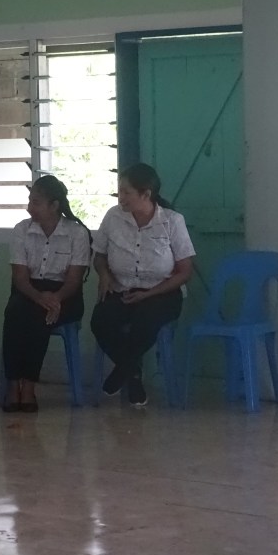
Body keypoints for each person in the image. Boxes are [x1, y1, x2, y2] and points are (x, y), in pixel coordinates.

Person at [90, 163, 195, 408]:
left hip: (162, 293)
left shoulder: (171, 221)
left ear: (146, 194)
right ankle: (132, 372)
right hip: (122, 289)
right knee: (101, 320)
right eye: (120, 191)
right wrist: (104, 274)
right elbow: (99, 255)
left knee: (145, 321)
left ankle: (123, 371)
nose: (121, 197)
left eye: (126, 192)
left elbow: (185, 271)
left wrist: (149, 294)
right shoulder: (113, 217)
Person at [1, 175, 91, 413]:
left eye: (36, 202)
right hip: (29, 291)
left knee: (39, 316)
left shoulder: (77, 233)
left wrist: (55, 299)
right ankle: (13, 384)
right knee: (14, 312)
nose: (30, 208)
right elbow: (20, 278)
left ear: (54, 205)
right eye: (30, 201)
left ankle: (28, 386)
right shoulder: (21, 230)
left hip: (66, 296)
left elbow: (74, 280)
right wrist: (40, 297)